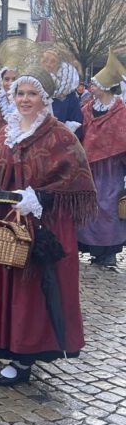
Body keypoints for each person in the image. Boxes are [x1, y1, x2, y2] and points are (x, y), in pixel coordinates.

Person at [0, 59, 96, 386]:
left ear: (45, 98)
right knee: (4, 284)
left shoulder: (60, 135)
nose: (24, 99)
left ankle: (24, 356)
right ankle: (6, 343)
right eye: (20, 93)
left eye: (31, 94)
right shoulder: (7, 131)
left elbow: (79, 183)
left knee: (30, 292)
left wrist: (41, 198)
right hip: (6, 223)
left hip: (42, 226)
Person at [78, 51, 126, 268]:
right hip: (89, 168)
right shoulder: (88, 108)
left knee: (108, 208)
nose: (92, 88)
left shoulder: (121, 113)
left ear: (106, 87)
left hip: (111, 168)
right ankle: (93, 249)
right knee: (90, 207)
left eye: (95, 85)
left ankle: (109, 251)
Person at [41, 45, 84, 137]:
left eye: (53, 61)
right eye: (45, 60)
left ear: (59, 65)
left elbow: (77, 124)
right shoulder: (34, 87)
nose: (48, 64)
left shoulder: (68, 94)